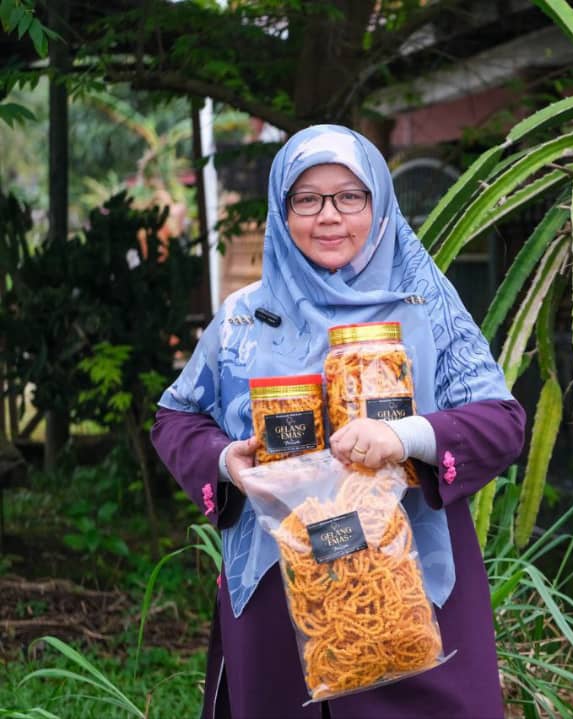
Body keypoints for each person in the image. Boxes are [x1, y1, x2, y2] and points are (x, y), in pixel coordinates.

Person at [151, 124, 525, 718]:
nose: (329, 216)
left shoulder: (426, 308)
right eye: (307, 199)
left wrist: (404, 436)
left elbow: (501, 422)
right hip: (279, 596)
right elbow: (176, 417)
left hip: (408, 595)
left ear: (379, 205)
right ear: (282, 208)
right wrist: (227, 462)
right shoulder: (244, 320)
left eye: (350, 196)